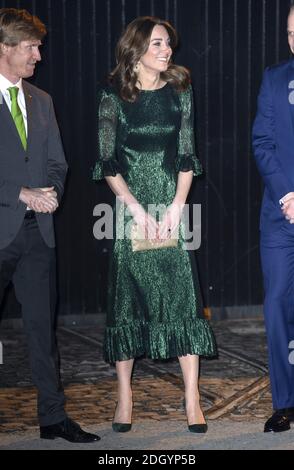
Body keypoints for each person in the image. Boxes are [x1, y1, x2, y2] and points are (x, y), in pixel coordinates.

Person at [93, 16, 216, 434]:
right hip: (129, 208)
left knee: (183, 295)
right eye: (159, 44)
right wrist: (135, 210)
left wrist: (176, 208)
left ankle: (192, 397)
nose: (168, 52)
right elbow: (107, 161)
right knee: (126, 298)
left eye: (169, 45)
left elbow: (187, 154)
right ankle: (124, 395)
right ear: (136, 49)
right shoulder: (112, 95)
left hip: (172, 207)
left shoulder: (181, 90)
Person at [0, 8, 100, 443]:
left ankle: (52, 418)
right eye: (30, 47)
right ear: (4, 48)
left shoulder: (43, 100)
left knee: (43, 331)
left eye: (37, 47)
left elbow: (59, 162)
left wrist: (53, 191)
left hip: (37, 234)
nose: (38, 55)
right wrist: (20, 192)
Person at [252, 6, 294, 433]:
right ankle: (285, 401)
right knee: (277, 303)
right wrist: (288, 194)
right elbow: (261, 142)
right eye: (290, 33)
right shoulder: (273, 78)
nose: (293, 40)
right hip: (281, 216)